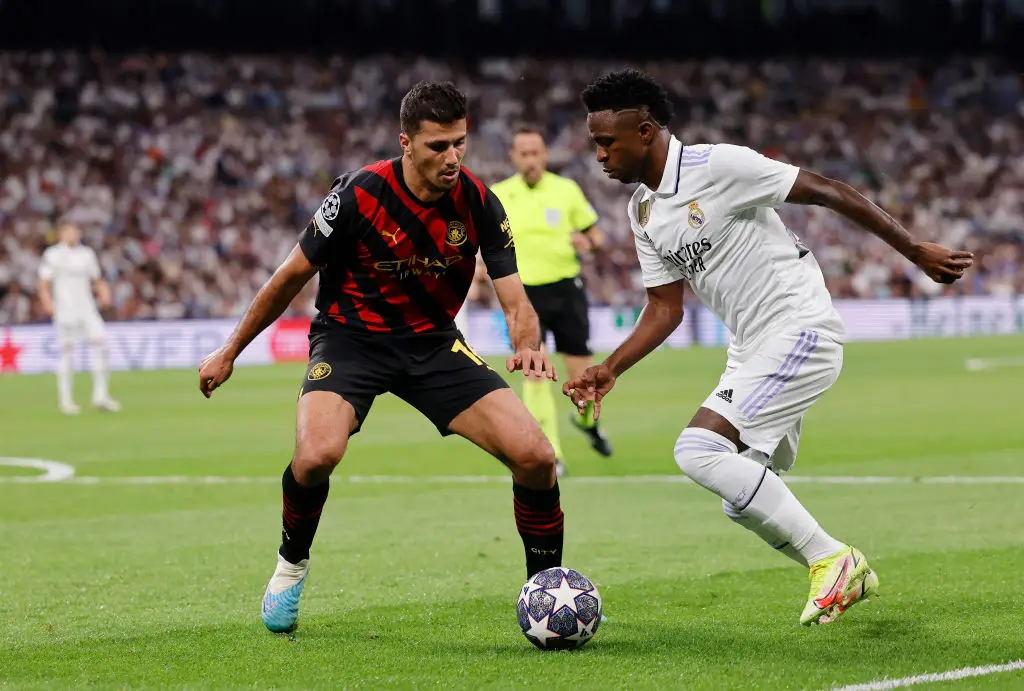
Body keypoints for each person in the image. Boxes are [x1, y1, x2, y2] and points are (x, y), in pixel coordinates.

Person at [565, 69, 974, 625]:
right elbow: (665, 308)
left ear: (644, 131)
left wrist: (913, 250)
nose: (599, 154)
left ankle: (832, 559)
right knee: (741, 499)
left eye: (606, 142)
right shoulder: (644, 212)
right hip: (752, 347)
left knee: (697, 451)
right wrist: (610, 368)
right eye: (595, 143)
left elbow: (827, 191)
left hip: (799, 327)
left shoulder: (719, 166)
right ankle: (843, 569)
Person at [198, 81, 565, 634]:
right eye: (439, 145)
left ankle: (548, 591)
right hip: (350, 340)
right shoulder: (357, 195)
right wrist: (229, 352)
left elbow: (515, 299)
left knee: (536, 456)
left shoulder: (481, 202)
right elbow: (289, 277)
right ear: (406, 142)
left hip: (433, 344)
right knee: (317, 454)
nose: (453, 157)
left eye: (460, 143)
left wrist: (528, 347)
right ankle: (290, 565)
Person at [491, 126, 612, 477]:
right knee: (535, 373)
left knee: (584, 381)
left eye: (535, 152)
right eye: (523, 153)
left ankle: (586, 423)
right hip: (524, 297)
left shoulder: (567, 191)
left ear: (545, 155)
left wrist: (590, 243)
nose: (530, 159)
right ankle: (552, 453)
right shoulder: (499, 196)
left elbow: (596, 234)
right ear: (513, 156)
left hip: (566, 292)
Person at [37, 221, 120, 415]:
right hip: (65, 310)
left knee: (102, 345)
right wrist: (48, 303)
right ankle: (66, 401)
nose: (72, 234)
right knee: (67, 352)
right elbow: (43, 283)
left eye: (74, 231)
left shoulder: (86, 254)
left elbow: (96, 279)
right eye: (67, 231)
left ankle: (100, 395)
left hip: (87, 309)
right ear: (60, 234)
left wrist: (104, 293)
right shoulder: (53, 254)